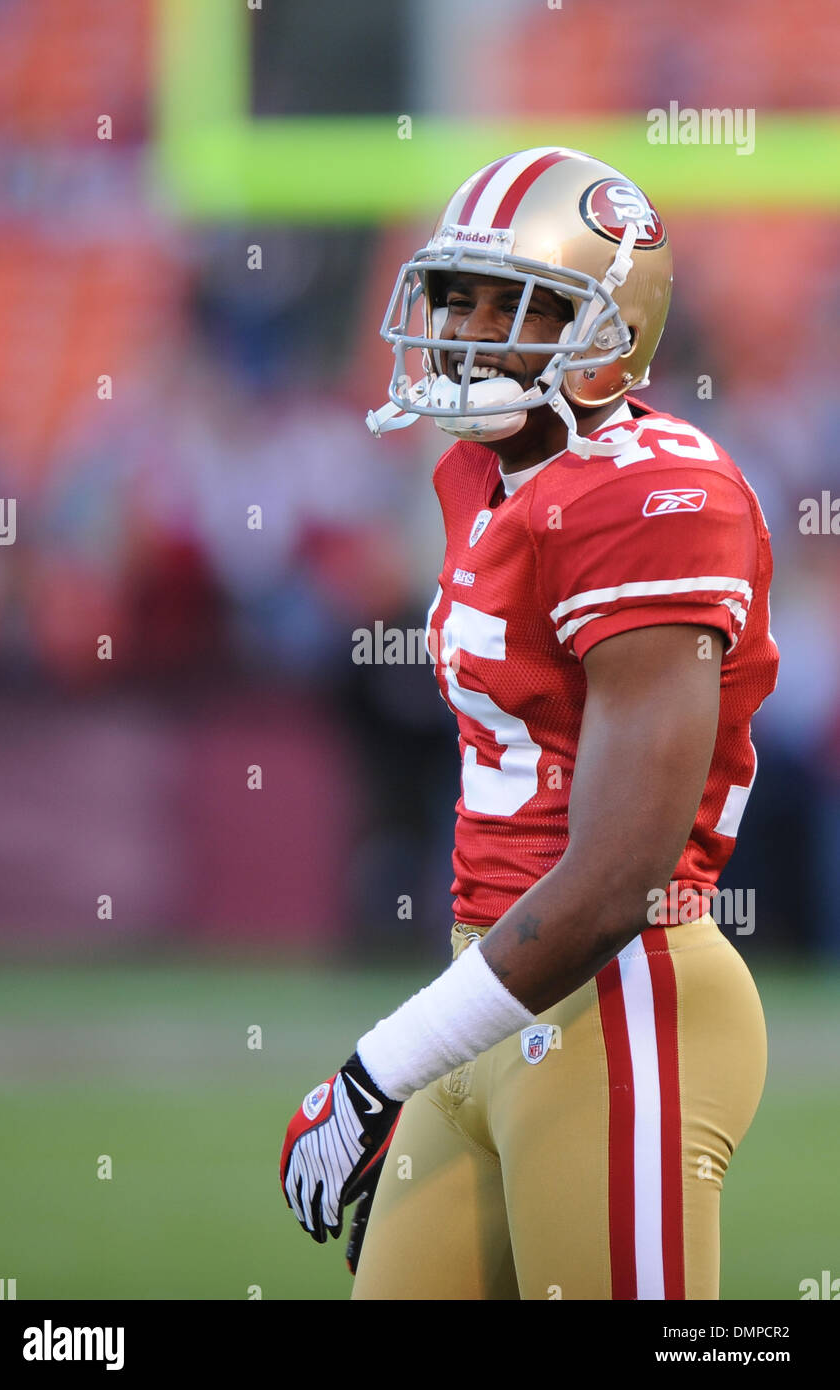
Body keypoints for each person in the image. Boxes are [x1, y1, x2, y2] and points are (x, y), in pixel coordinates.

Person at [280, 147, 779, 1300]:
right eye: (459, 294)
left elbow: (612, 878)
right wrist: (430, 1054)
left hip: (622, 1000)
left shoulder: (654, 497)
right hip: (488, 995)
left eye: (521, 304)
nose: (468, 330)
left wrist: (375, 1066)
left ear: (609, 329)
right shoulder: (479, 475)